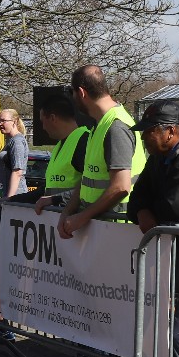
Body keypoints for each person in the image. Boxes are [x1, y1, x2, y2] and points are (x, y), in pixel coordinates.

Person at [84, 99, 179, 357]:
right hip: (165, 262)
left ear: (170, 131)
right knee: (146, 326)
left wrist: (149, 210)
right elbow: (139, 196)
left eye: (149, 132)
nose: (143, 138)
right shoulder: (158, 159)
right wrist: (143, 211)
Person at [57, 65, 146, 239]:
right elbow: (87, 180)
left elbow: (121, 187)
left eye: (73, 93)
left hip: (117, 231)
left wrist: (82, 217)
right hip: (103, 229)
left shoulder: (115, 127)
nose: (73, 99)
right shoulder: (100, 125)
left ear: (81, 92)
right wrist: (68, 211)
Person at [0, 108, 29, 197]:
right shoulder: (10, 141)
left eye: (3, 121)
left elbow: (17, 172)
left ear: (15, 121)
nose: (0, 124)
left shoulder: (17, 141)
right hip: (4, 194)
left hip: (16, 196)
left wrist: (9, 199)